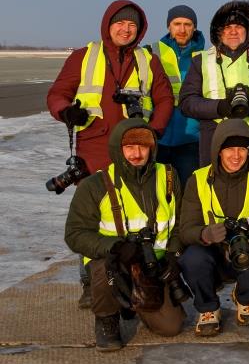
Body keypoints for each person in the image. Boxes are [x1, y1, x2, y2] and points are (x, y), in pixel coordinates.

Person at [48, 0, 175, 309]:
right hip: (94, 150)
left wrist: (153, 132)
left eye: (132, 25)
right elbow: (57, 94)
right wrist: (67, 112)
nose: (125, 29)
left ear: (139, 29)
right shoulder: (83, 57)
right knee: (95, 221)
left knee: (138, 214)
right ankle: (92, 284)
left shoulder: (148, 61)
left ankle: (136, 277)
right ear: (108, 25)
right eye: (120, 23)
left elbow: (165, 99)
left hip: (135, 150)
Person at [64, 120, 186, 350]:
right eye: (129, 147)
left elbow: (180, 222)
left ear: (152, 148)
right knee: (102, 267)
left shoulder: (168, 176)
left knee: (171, 327)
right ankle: (107, 319)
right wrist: (115, 246)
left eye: (143, 146)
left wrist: (173, 254)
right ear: (117, 149)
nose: (136, 153)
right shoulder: (95, 184)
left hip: (153, 264)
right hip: (115, 262)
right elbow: (74, 234)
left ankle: (134, 304)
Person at [177, 119, 249, 335]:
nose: (236, 156)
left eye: (242, 149)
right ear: (218, 151)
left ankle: (244, 298)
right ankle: (208, 308)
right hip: (210, 250)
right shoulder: (198, 180)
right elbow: (185, 229)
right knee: (192, 259)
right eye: (229, 149)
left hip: (246, 249)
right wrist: (204, 233)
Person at [178, 0, 249, 167]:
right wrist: (220, 107)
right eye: (227, 27)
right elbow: (187, 102)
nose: (233, 32)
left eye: (238, 27)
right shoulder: (201, 60)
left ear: (248, 31)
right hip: (214, 137)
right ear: (218, 32)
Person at [153, 4, 206, 183]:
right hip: (157, 137)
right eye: (177, 24)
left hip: (191, 140)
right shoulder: (152, 53)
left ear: (195, 27)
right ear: (169, 26)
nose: (182, 29)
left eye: (187, 24)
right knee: (157, 196)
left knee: (187, 196)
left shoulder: (206, 58)